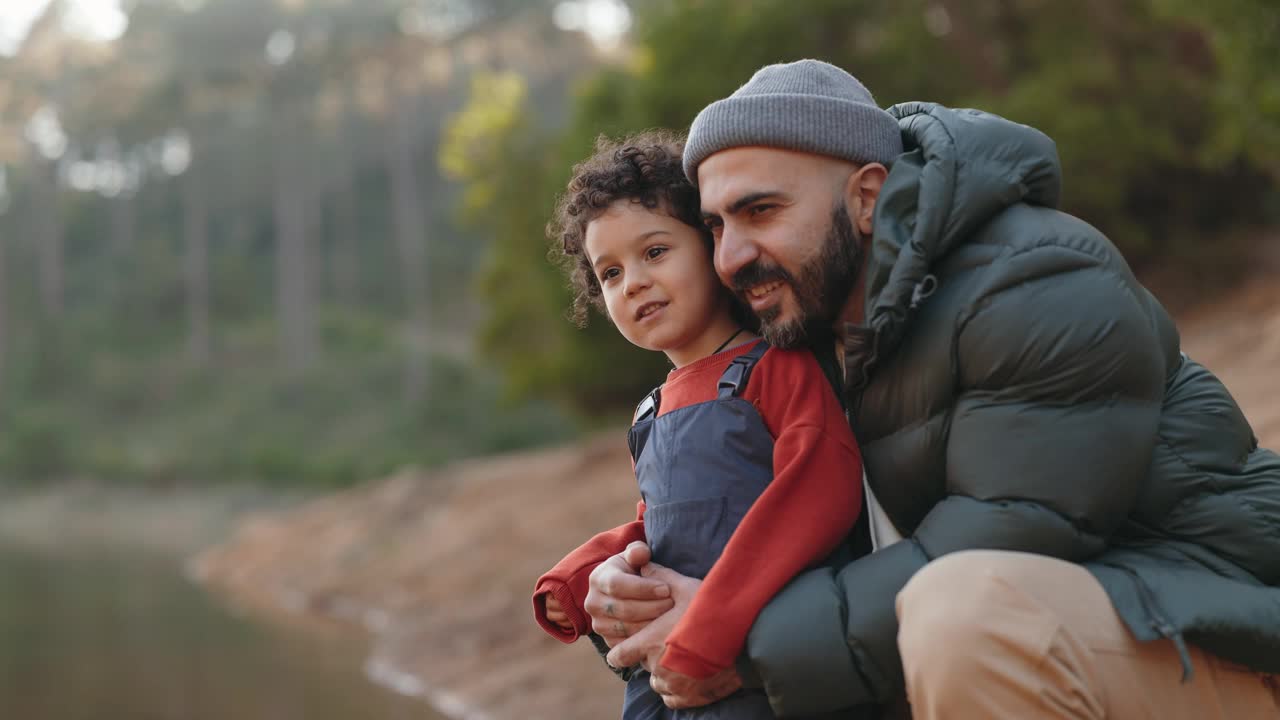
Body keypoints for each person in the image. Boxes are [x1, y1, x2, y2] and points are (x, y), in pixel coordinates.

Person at [590, 59, 1280, 719]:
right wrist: (630, 587)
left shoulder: (1035, 283)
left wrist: (732, 637)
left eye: (761, 211)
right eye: (715, 226)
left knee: (961, 614)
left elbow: (1008, 536)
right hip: (1067, 652)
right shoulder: (803, 329)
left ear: (866, 197)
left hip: (1219, 645)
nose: (732, 257)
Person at [530, 131, 865, 718]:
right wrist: (583, 577)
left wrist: (710, 627)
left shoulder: (774, 370)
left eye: (654, 252)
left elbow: (818, 493)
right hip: (665, 678)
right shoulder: (651, 412)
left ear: (713, 248)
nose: (632, 281)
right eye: (609, 273)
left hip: (755, 673)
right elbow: (662, 524)